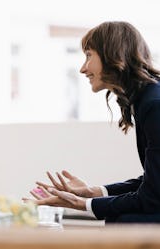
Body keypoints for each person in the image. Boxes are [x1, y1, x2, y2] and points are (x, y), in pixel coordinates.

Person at [27, 21, 160, 223]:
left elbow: (152, 198)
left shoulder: (154, 104)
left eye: (89, 55)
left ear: (113, 55)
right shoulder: (147, 100)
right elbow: (153, 185)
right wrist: (94, 192)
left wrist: (83, 204)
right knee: (121, 220)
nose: (83, 69)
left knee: (123, 222)